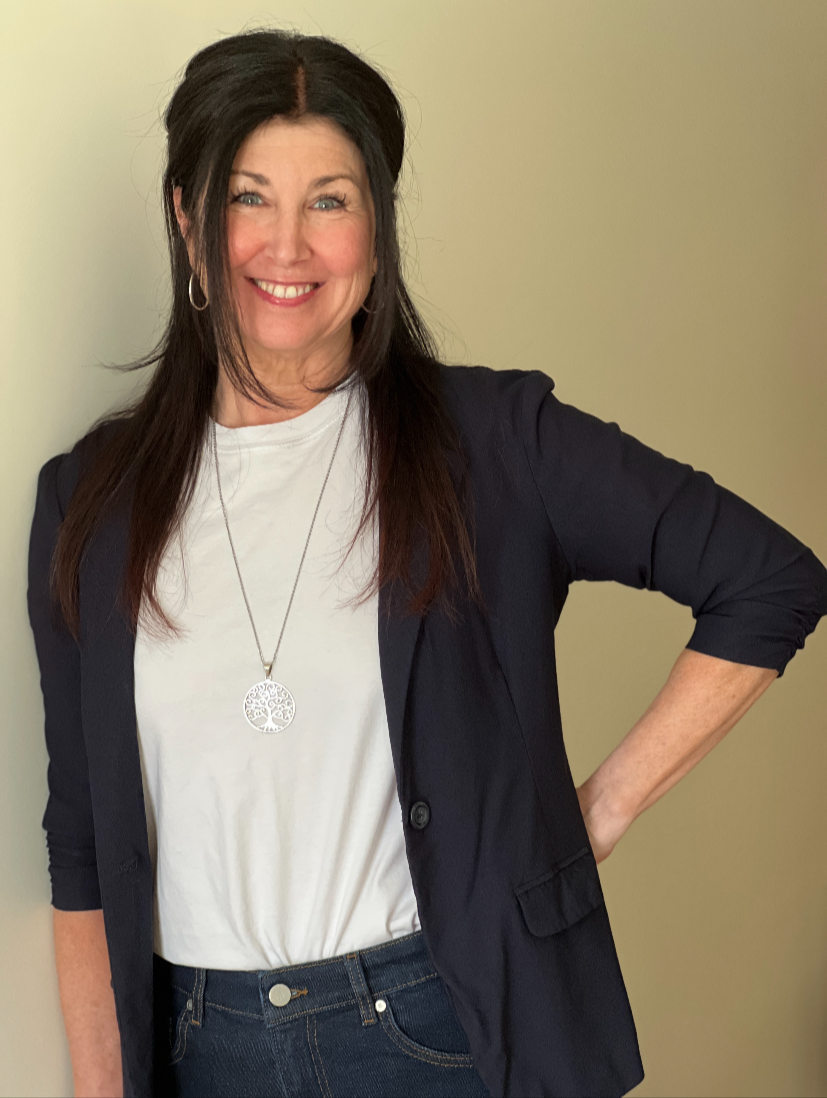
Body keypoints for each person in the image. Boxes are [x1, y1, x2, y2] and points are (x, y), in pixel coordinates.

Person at [26, 27, 827, 1098]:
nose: (286, 247)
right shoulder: (93, 500)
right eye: (247, 197)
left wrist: (590, 814)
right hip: (194, 1047)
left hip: (430, 1033)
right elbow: (82, 838)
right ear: (186, 217)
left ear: (378, 222)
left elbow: (766, 579)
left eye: (330, 199)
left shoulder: (492, 443)